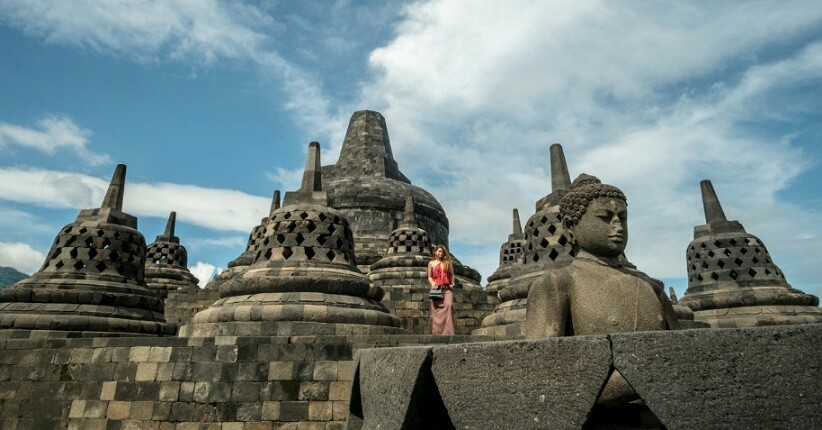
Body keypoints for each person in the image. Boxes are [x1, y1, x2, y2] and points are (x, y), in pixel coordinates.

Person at [524, 174, 678, 409]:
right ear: (570, 226)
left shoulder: (651, 288)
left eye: (622, 218)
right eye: (605, 218)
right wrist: (643, 379)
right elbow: (541, 377)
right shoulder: (557, 285)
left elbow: (683, 355)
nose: (617, 226)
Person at [428, 244, 455, 335]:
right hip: (436, 288)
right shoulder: (431, 263)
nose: (441, 253)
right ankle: (438, 333)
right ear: (435, 252)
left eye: (443, 252)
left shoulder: (447, 262)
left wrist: (452, 283)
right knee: (437, 312)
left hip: (447, 288)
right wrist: (432, 283)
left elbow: (452, 274)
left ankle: (449, 333)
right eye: (439, 251)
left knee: (449, 305)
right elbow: (429, 276)